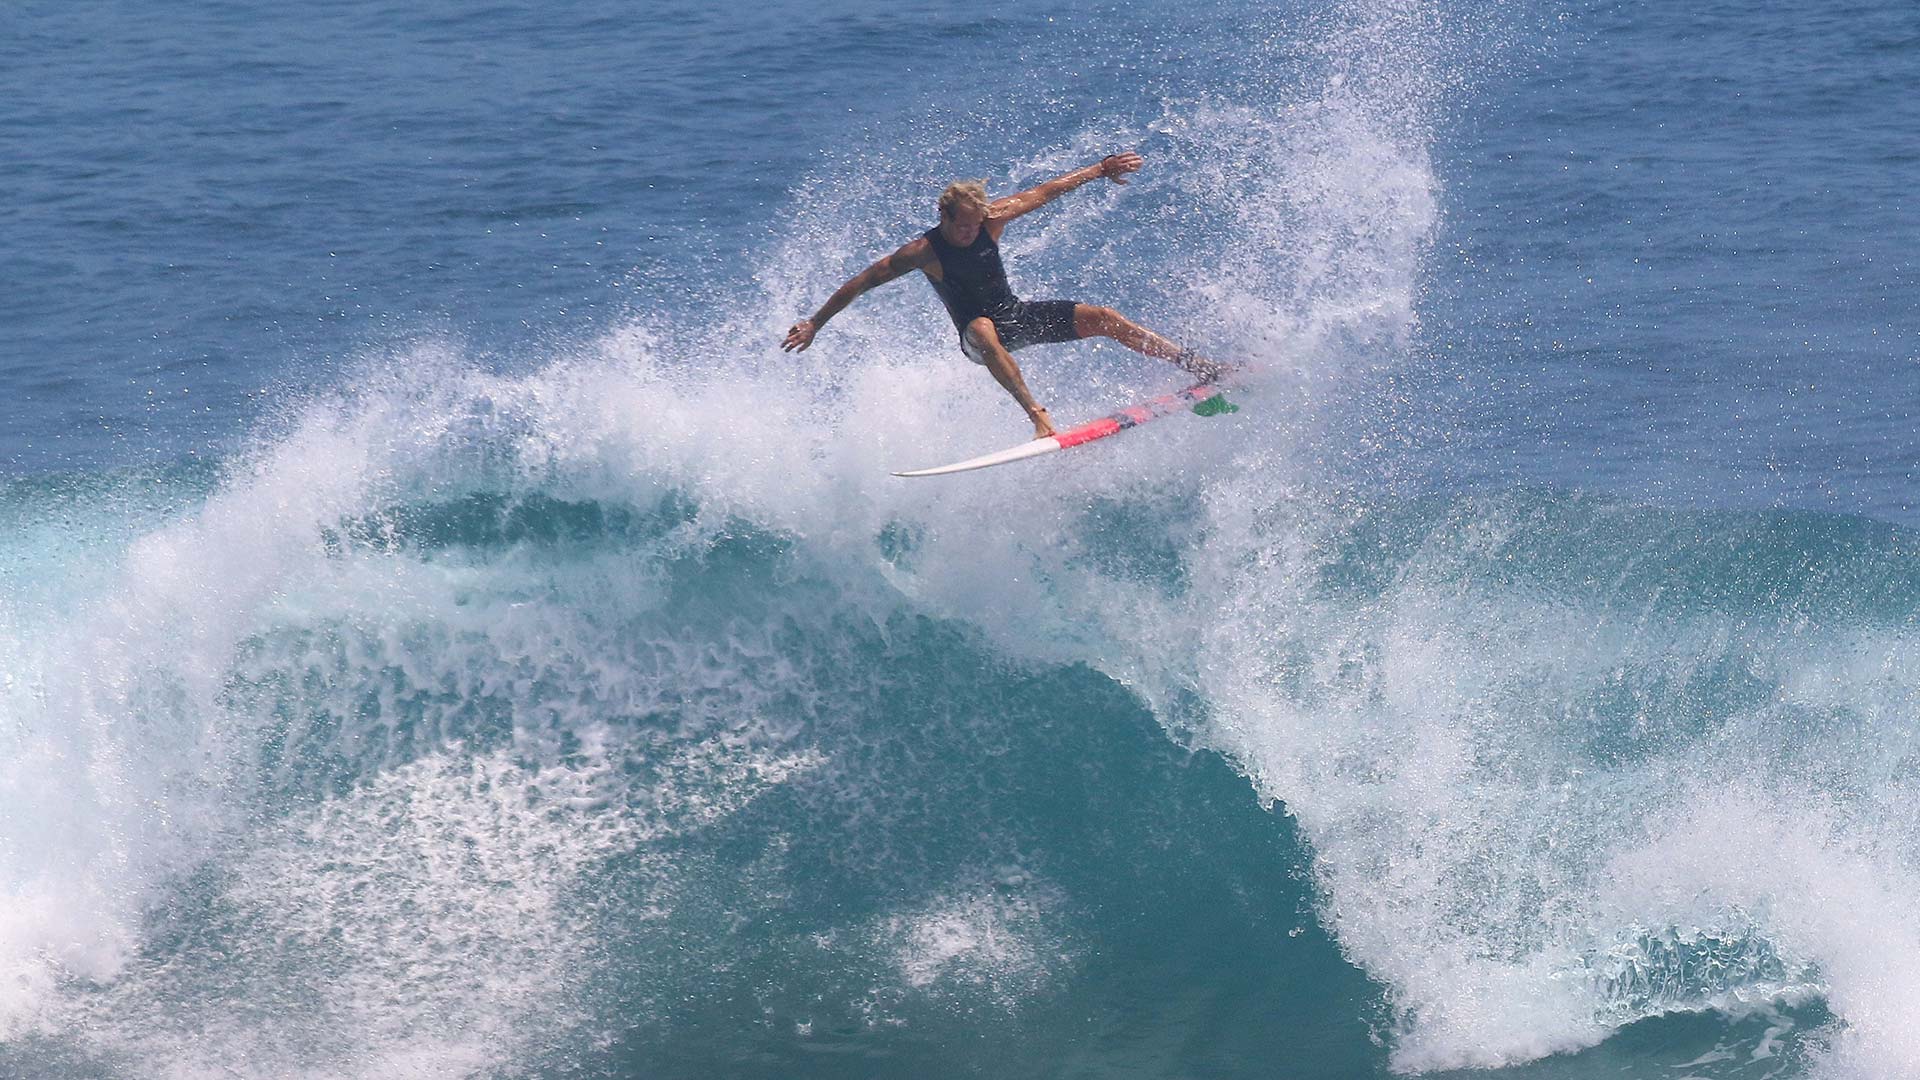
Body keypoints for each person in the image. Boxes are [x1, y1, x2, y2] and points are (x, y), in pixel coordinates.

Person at [781, 152, 1222, 439]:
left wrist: (1101, 171)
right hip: (979, 341)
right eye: (962, 225)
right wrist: (815, 323)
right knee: (981, 325)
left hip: (1018, 319)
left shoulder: (991, 219)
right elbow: (860, 282)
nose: (971, 230)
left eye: (976, 223)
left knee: (1104, 316)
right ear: (945, 216)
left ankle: (1197, 365)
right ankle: (1038, 417)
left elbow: (1045, 192)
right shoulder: (922, 252)